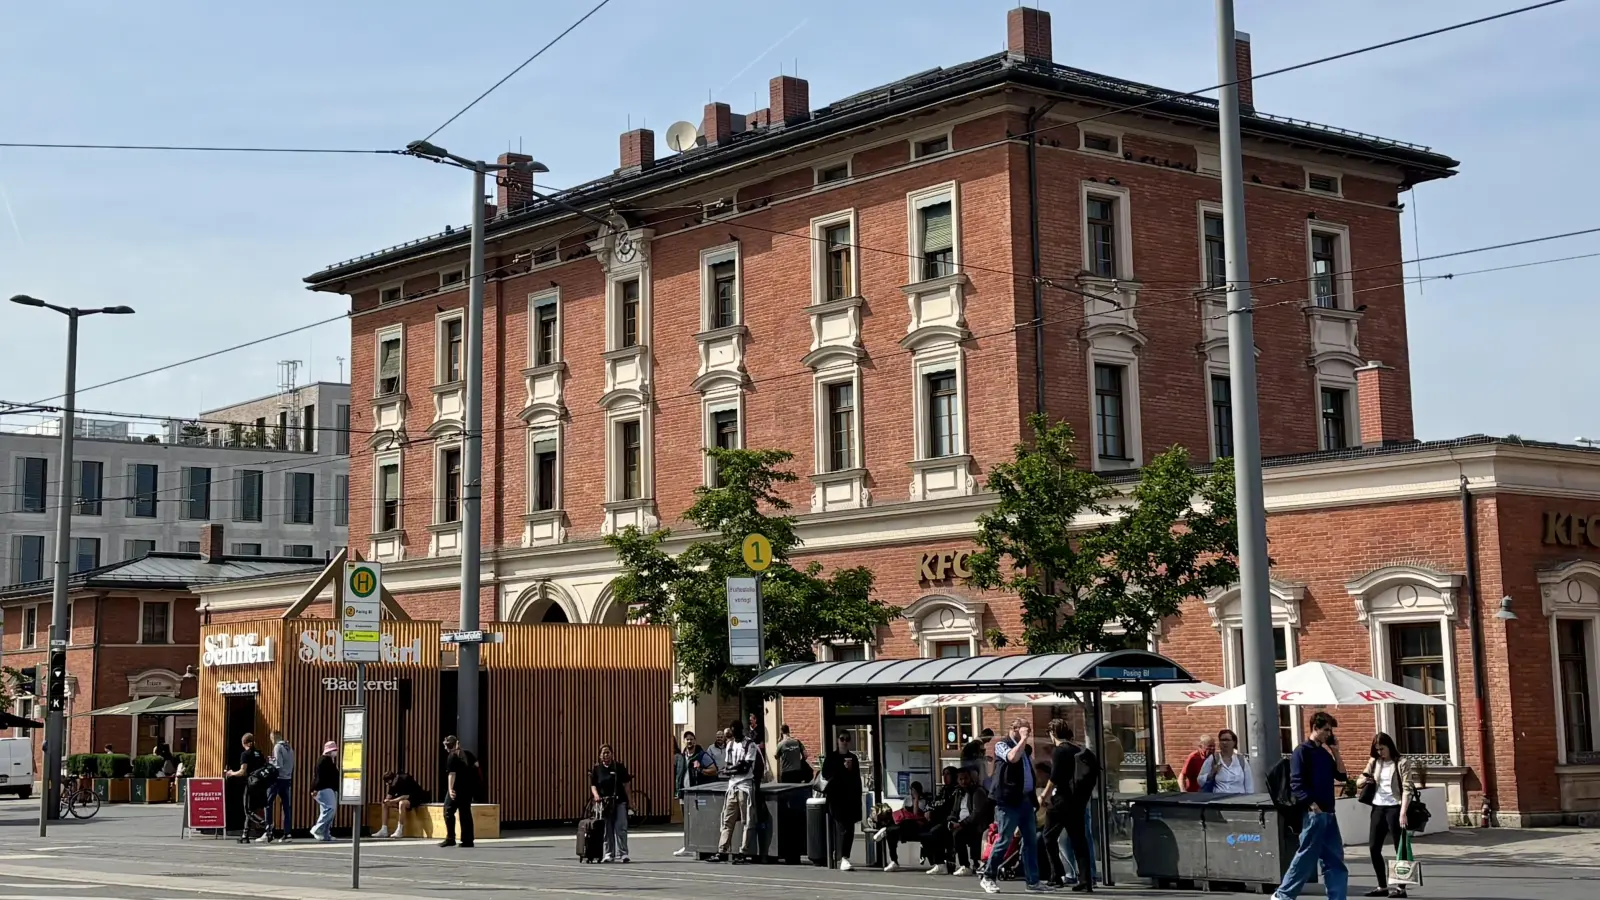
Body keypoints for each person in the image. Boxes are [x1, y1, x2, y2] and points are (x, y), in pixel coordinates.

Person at [1274, 712, 1349, 900]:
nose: (1328, 734)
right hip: (1314, 813)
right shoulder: (1301, 751)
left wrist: (1336, 751)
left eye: (1330, 731)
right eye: (1325, 730)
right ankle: (1283, 895)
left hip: (1329, 813)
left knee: (1335, 859)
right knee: (1306, 856)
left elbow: (1341, 776)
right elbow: (1296, 783)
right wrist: (1312, 804)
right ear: (1315, 728)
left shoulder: (1324, 753)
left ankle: (1337, 897)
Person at [980, 718, 1044, 894]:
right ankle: (988, 876)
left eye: (1029, 730)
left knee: (1030, 841)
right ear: (1015, 729)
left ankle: (1033, 881)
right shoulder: (1002, 745)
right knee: (1004, 839)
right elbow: (1012, 758)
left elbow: (1028, 771)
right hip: (1008, 802)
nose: (1028, 733)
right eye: (1026, 729)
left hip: (1024, 801)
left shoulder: (1025, 750)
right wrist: (1022, 740)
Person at [1357, 732, 1418, 898]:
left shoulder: (1401, 763)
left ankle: (1401, 889)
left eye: (1382, 749)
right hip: (1378, 807)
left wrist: (1403, 812)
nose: (1380, 752)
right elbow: (1358, 782)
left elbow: (1407, 789)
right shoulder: (1375, 762)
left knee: (1399, 847)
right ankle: (1382, 886)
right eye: (1377, 750)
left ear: (1389, 747)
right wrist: (1366, 779)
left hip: (1395, 807)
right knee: (1373, 847)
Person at [1043, 719, 1098, 892]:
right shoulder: (1077, 749)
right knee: (1079, 841)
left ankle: (1056, 876)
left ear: (1053, 733)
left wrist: (1044, 795)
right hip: (1078, 801)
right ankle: (1086, 881)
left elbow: (1055, 777)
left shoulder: (1059, 751)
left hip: (1061, 800)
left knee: (1048, 837)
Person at [717, 721, 761, 863]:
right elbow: (731, 765)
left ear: (741, 730)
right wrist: (732, 769)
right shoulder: (730, 745)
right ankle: (722, 850)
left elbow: (745, 768)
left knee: (747, 820)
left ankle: (744, 851)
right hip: (733, 786)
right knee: (727, 819)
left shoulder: (750, 745)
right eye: (732, 731)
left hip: (745, 786)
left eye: (736, 731)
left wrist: (729, 770)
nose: (734, 734)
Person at [821, 729, 864, 871]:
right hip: (836, 799)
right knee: (842, 828)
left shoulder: (854, 758)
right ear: (838, 741)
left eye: (847, 739)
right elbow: (826, 774)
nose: (845, 742)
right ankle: (842, 857)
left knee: (849, 829)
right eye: (842, 739)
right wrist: (842, 768)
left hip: (850, 799)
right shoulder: (832, 758)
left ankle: (844, 856)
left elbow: (857, 780)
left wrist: (859, 800)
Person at [673, 732, 715, 858]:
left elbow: (714, 770)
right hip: (683, 793)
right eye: (687, 740)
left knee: (697, 820)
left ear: (695, 741)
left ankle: (697, 846)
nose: (689, 742)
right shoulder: (681, 757)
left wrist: (701, 770)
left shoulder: (702, 756)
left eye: (691, 739)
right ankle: (687, 846)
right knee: (686, 821)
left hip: (697, 793)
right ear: (684, 741)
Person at [223, 733, 269, 844]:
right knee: (252, 809)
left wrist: (231, 773)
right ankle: (245, 834)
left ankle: (265, 824)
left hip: (250, 784)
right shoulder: (259, 753)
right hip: (261, 784)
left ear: (244, 743)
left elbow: (243, 771)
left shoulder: (245, 754)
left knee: (247, 810)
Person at [590, 744, 632, 863]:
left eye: (608, 752)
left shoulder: (619, 767)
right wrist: (596, 796)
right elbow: (593, 785)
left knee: (620, 827)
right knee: (607, 829)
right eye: (603, 753)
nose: (606, 755)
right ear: (600, 755)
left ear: (612, 754)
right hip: (604, 803)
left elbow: (626, 784)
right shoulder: (597, 769)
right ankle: (609, 853)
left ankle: (623, 853)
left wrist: (631, 801)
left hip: (619, 801)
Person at [874, 781, 929, 872]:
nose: (913, 793)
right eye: (912, 790)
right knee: (891, 832)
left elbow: (916, 814)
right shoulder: (907, 799)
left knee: (906, 823)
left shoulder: (923, 801)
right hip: (904, 824)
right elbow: (903, 812)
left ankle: (885, 830)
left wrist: (916, 800)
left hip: (916, 825)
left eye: (915, 791)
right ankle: (894, 860)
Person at [921, 767, 962, 874]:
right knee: (923, 832)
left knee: (935, 832)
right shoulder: (943, 789)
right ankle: (936, 862)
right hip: (938, 819)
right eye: (944, 774)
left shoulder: (956, 790)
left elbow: (946, 805)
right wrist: (929, 810)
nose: (945, 777)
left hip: (950, 820)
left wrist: (935, 809)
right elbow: (934, 802)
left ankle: (941, 863)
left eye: (948, 774)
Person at [441, 735, 476, 849]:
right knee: (465, 813)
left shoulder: (452, 756)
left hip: (457, 788)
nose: (446, 749)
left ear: (449, 746)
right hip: (468, 788)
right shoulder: (468, 754)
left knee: (448, 810)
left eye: (446, 746)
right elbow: (476, 766)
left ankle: (450, 837)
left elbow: (452, 774)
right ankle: (468, 840)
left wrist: (450, 790)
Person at [1199, 729, 1254, 794]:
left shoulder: (1241, 760)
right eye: (1222, 740)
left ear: (1234, 742)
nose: (1224, 743)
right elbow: (1200, 780)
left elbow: (1249, 785)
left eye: (1227, 740)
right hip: (1219, 800)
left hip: (1238, 800)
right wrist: (1211, 773)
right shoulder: (1213, 758)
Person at [375, 771, 425, 838]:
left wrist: (392, 801)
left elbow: (405, 796)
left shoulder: (405, 779)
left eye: (390, 783)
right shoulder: (393, 783)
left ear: (394, 779)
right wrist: (386, 801)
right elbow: (389, 796)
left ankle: (399, 830)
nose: (390, 785)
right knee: (384, 804)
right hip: (402, 798)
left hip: (415, 798)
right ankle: (384, 829)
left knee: (402, 803)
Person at [267, 731, 296, 842]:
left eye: (271, 738)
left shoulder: (277, 747)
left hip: (277, 779)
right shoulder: (289, 747)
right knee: (286, 807)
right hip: (287, 779)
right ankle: (287, 833)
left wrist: (270, 762)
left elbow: (278, 764)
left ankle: (269, 830)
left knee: (268, 803)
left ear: (274, 737)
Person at [310, 741, 339, 842]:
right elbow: (320, 777)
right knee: (330, 809)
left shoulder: (328, 760)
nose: (336, 752)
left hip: (325, 788)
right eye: (334, 750)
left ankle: (326, 834)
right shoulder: (324, 761)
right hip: (324, 788)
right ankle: (318, 829)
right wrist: (315, 788)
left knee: (327, 810)